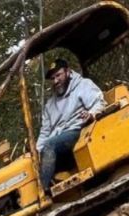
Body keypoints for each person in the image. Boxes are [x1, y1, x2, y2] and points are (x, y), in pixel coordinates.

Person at [36, 58, 106, 192]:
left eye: (58, 75)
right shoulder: (50, 104)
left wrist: (91, 114)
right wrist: (36, 154)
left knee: (50, 145)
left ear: (68, 72)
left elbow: (99, 103)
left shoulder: (83, 86)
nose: (55, 81)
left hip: (78, 132)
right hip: (59, 141)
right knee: (39, 158)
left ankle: (42, 194)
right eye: (52, 78)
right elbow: (45, 132)